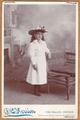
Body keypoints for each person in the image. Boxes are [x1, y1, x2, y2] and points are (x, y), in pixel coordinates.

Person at [26, 26, 51, 96]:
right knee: (36, 75)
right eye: (38, 34)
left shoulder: (43, 43)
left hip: (42, 61)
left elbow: (46, 49)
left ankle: (39, 89)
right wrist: (34, 63)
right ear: (34, 35)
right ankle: (36, 90)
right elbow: (31, 55)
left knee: (41, 75)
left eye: (41, 34)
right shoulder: (32, 44)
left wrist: (49, 52)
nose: (39, 35)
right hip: (36, 61)